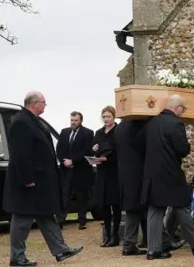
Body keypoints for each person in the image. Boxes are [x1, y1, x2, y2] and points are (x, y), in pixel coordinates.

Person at [3, 91, 83, 266]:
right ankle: (17, 257)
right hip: (29, 181)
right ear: (34, 104)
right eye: (43, 102)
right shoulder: (21, 122)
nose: (45, 105)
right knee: (22, 218)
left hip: (40, 182)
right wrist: (26, 178)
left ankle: (60, 249)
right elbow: (20, 154)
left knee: (46, 215)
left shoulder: (32, 121)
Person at [141, 94, 194, 260]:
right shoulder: (175, 123)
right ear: (177, 108)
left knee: (155, 210)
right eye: (183, 109)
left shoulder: (151, 123)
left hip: (152, 173)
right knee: (181, 205)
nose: (183, 112)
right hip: (170, 173)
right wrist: (188, 143)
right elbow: (182, 150)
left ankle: (153, 250)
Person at [114, 120, 148, 256]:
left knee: (135, 209)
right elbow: (143, 146)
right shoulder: (137, 125)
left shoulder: (120, 127)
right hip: (137, 173)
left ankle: (133, 243)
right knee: (137, 209)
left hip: (125, 172)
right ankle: (129, 244)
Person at [56, 111, 94, 230]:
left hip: (80, 169)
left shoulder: (88, 133)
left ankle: (82, 221)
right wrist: (64, 161)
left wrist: (73, 161)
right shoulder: (64, 132)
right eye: (71, 120)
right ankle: (60, 220)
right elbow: (59, 149)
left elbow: (87, 151)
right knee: (64, 194)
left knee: (81, 196)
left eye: (75, 120)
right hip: (66, 170)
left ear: (81, 121)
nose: (73, 122)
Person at [92, 106, 121, 247]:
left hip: (114, 172)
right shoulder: (98, 132)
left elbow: (120, 152)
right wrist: (94, 150)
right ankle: (107, 235)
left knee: (115, 205)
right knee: (104, 205)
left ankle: (115, 236)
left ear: (114, 117)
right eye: (104, 117)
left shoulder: (118, 131)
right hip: (102, 172)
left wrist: (107, 159)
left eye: (108, 116)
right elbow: (93, 148)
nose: (106, 119)